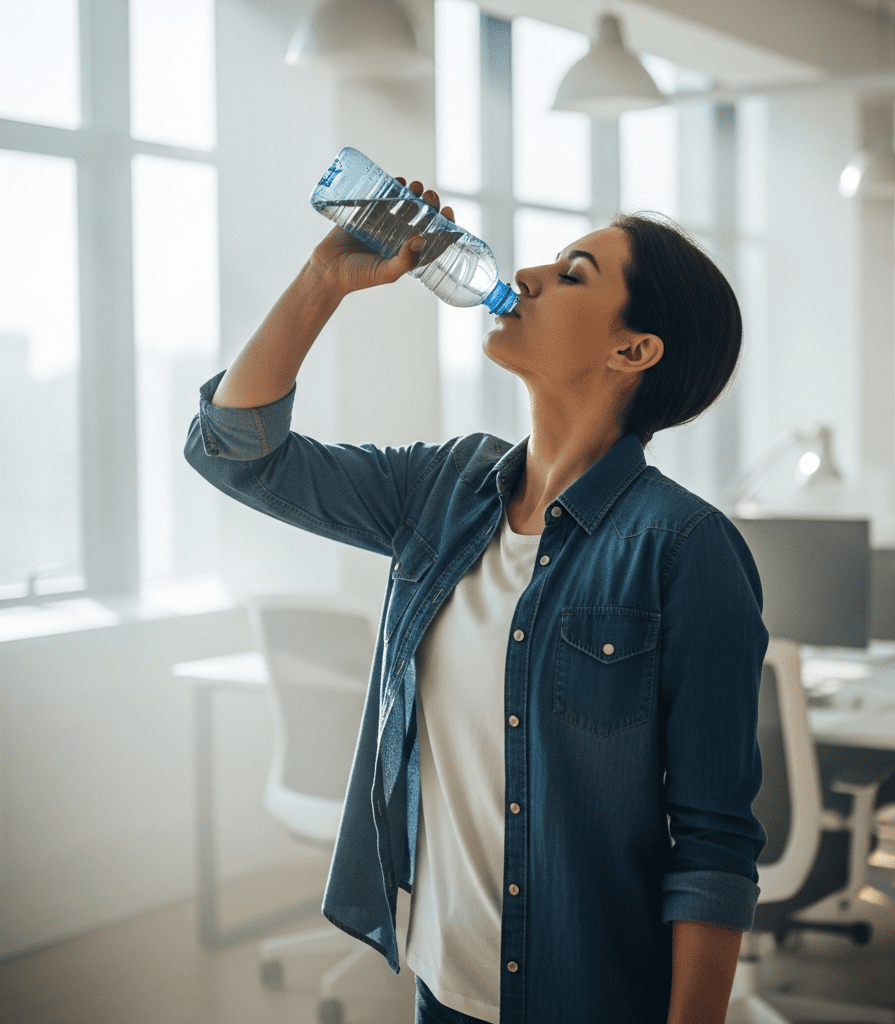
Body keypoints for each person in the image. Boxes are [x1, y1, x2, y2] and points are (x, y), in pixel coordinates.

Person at [185, 176, 769, 1024]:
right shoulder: (444, 488)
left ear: (633, 351)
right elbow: (237, 452)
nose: (526, 275)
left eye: (573, 273)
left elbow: (715, 842)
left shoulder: (684, 547)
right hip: (443, 984)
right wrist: (325, 279)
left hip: (590, 996)